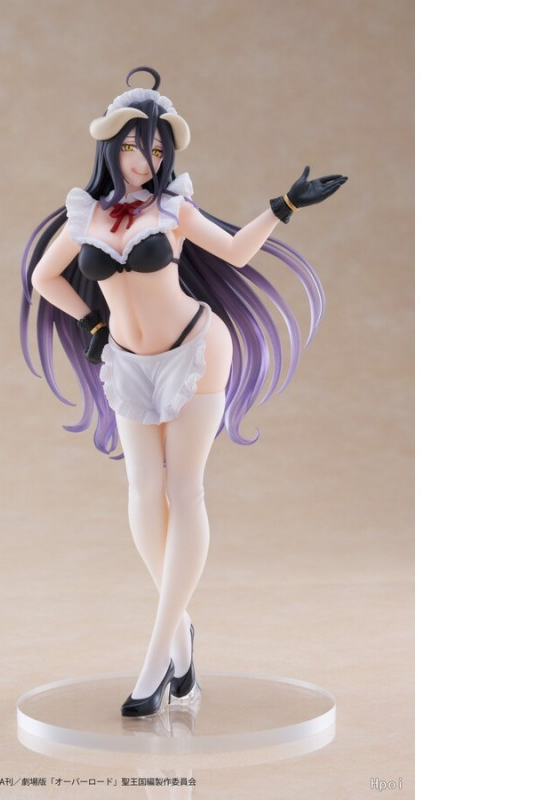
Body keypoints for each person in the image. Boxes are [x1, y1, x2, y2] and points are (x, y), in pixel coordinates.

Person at [20, 67, 346, 717]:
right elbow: (44, 278)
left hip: (196, 351)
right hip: (129, 362)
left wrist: (283, 205)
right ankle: (183, 636)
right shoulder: (85, 215)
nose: (146, 159)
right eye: (134, 145)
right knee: (143, 492)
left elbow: (236, 252)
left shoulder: (172, 209)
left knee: (183, 491)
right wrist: (90, 324)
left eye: (157, 147)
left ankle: (155, 663)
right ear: (110, 147)